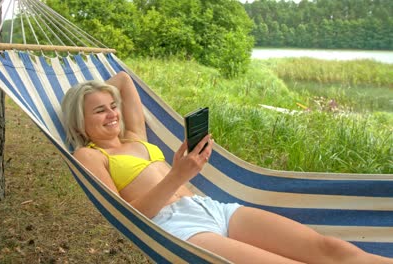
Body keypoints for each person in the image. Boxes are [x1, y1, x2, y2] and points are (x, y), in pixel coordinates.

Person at [61, 71, 392, 264]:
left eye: (112, 107)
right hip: (177, 229)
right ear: (80, 121)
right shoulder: (90, 156)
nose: (112, 115)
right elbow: (127, 215)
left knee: (333, 248)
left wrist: (94, 92)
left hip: (214, 209)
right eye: (99, 112)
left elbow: (123, 80)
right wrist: (178, 175)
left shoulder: (134, 135)